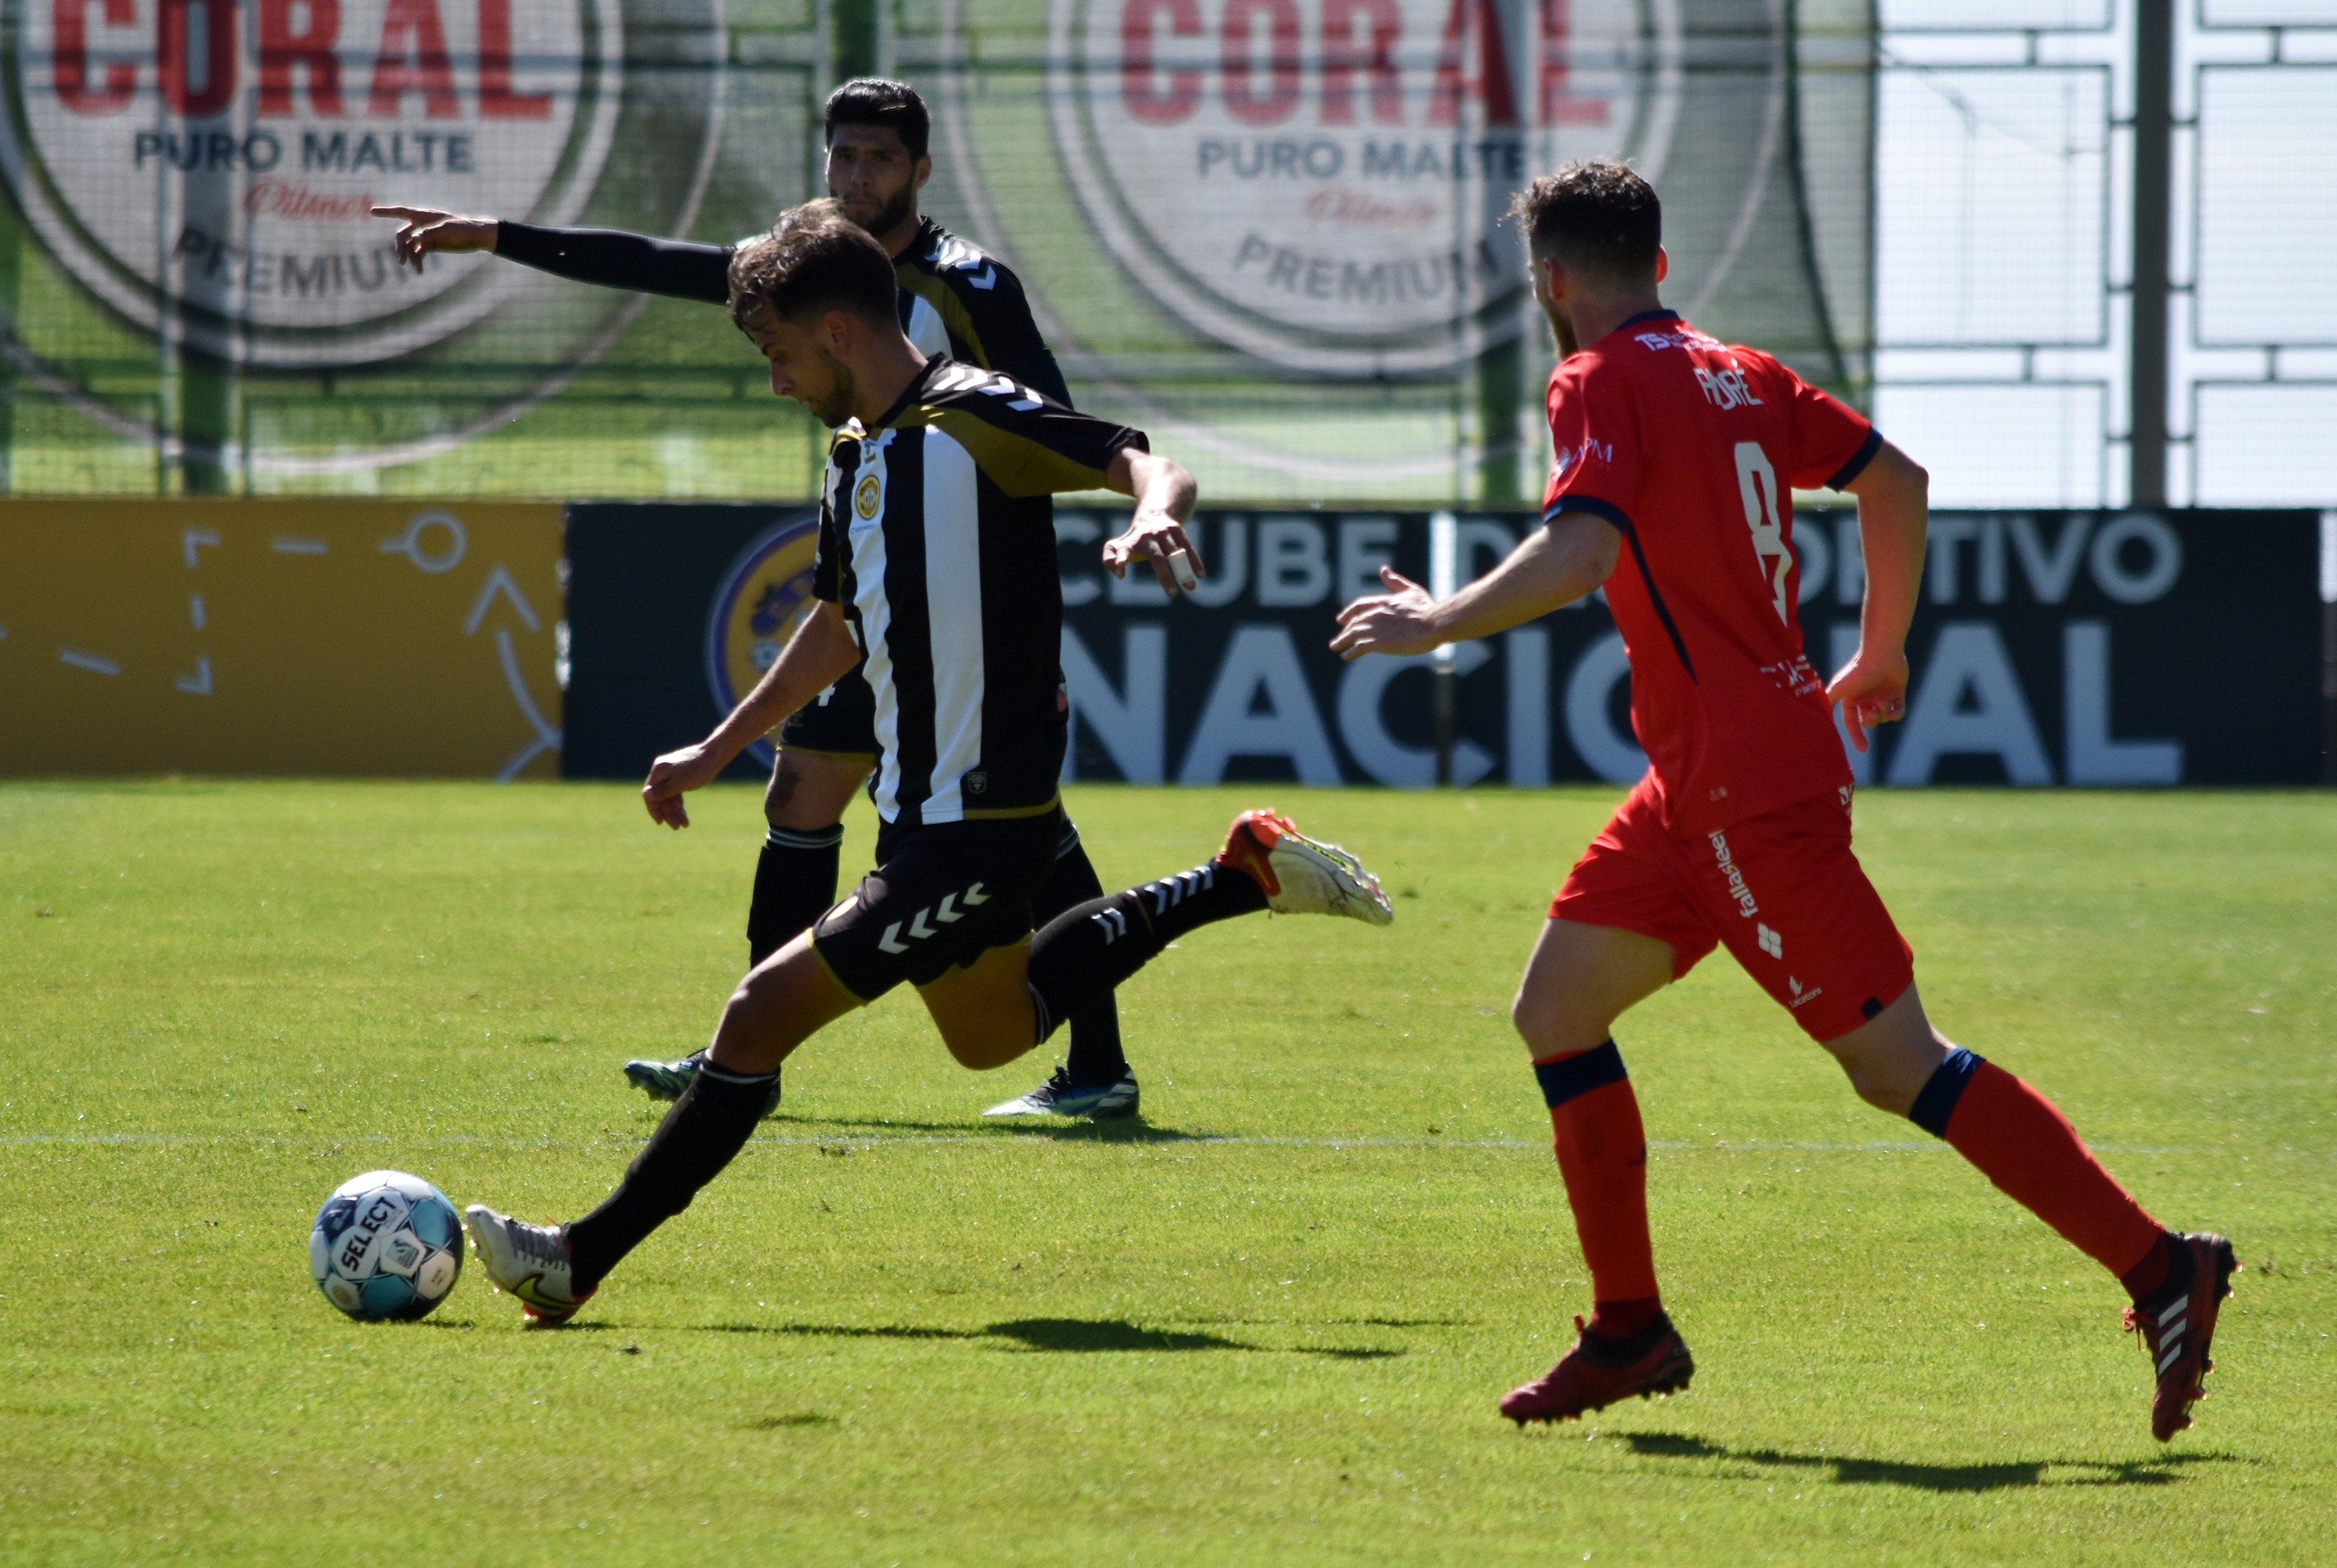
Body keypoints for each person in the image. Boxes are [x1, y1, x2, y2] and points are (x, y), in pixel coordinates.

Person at [1330, 162, 2233, 1443]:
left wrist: (1439, 623)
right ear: (1658, 263)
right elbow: (1897, 479)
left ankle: (2161, 1266)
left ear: (1553, 280)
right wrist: (1882, 652)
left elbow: (1583, 549)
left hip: (1741, 795)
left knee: (1899, 1067)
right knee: (1557, 1009)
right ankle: (1629, 1330)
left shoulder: (1594, 376)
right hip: (1700, 783)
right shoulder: (1743, 373)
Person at [463, 205, 1394, 1323]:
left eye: (779, 354)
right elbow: (837, 624)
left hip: (984, 822)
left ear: (840, 330)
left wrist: (1152, 516)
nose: (776, 382)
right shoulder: (854, 456)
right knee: (991, 1035)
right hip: (917, 812)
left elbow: (1148, 461)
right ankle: (1240, 876)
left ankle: (576, 1258)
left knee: (756, 1017)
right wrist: (720, 745)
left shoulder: (974, 411)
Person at [380, 78, 1140, 1123]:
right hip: (873, 585)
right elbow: (654, 261)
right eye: (843, 155)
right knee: (801, 797)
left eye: (880, 158)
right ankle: (749, 1052)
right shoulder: (801, 266)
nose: (857, 175)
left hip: (964, 607)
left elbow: (1050, 434)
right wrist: (498, 235)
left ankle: (1097, 1062)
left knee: (1021, 825)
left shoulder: (970, 284)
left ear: (921, 170)